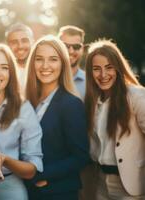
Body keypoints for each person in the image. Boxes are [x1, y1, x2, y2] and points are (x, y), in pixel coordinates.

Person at [25, 35, 89, 200]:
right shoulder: (27, 102)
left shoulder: (71, 104)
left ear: (63, 63)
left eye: (53, 59)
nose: (45, 66)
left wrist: (40, 175)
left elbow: (80, 157)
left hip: (58, 192)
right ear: (32, 63)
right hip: (29, 192)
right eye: (39, 59)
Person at [0, 43, 43, 200]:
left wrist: (5, 160)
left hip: (8, 184)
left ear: (11, 72)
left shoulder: (23, 108)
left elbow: (32, 168)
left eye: (4, 68)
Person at [84, 39, 145, 199]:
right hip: (101, 183)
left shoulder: (136, 96)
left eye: (109, 67)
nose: (103, 75)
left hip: (131, 185)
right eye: (96, 69)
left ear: (118, 68)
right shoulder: (92, 101)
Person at [58, 25, 86, 99]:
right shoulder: (46, 79)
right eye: (65, 46)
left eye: (76, 46)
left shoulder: (90, 82)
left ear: (82, 49)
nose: (70, 51)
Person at [5, 22, 34, 94]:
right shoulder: (3, 72)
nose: (20, 46)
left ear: (33, 42)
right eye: (14, 42)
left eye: (25, 41)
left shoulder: (42, 69)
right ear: (7, 45)